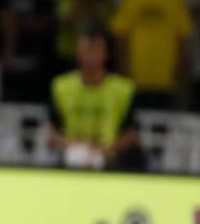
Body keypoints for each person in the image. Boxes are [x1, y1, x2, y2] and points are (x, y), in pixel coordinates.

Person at [49, 31, 142, 171]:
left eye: (96, 50)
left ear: (106, 54)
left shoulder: (123, 90)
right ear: (78, 53)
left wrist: (106, 151)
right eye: (87, 50)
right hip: (71, 157)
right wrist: (72, 147)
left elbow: (132, 133)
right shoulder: (61, 86)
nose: (91, 56)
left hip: (111, 160)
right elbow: (52, 131)